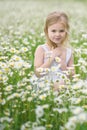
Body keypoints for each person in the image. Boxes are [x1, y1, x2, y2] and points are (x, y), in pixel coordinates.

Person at [34, 11, 75, 91]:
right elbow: (37, 73)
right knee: (59, 85)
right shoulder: (41, 49)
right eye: (53, 31)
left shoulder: (68, 51)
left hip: (63, 83)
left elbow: (72, 75)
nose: (57, 34)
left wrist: (63, 66)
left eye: (61, 31)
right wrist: (52, 56)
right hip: (44, 84)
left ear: (66, 32)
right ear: (46, 31)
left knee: (62, 84)